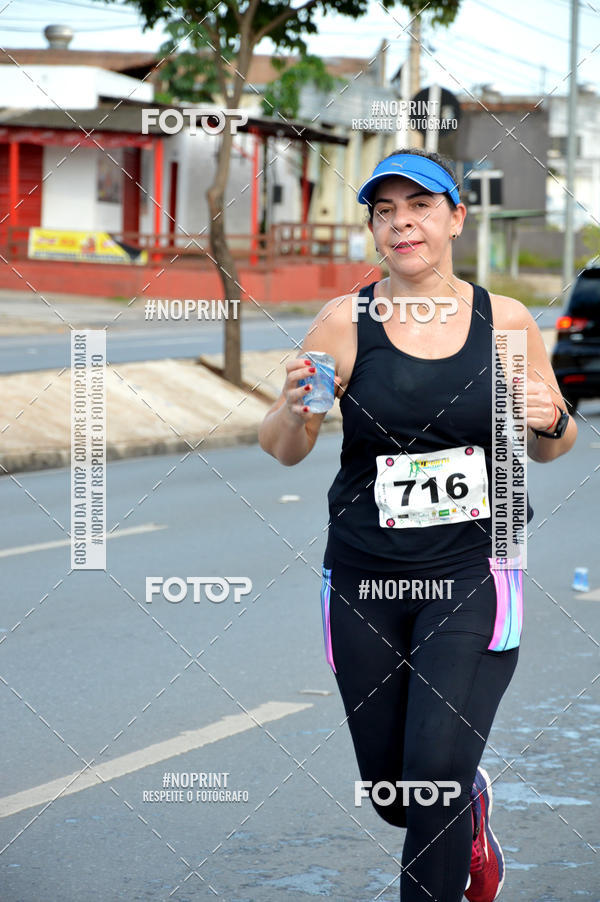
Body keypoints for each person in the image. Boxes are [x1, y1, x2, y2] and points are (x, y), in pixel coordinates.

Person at [258, 148, 577, 901]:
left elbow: (553, 442)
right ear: (374, 228)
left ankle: (455, 808)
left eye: (420, 206)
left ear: (456, 218)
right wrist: (294, 411)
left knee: (434, 776)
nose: (402, 224)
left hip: (475, 569)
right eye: (385, 211)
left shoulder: (506, 322)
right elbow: (284, 447)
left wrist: (550, 418)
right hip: (364, 577)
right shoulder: (344, 323)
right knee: (396, 795)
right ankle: (472, 811)